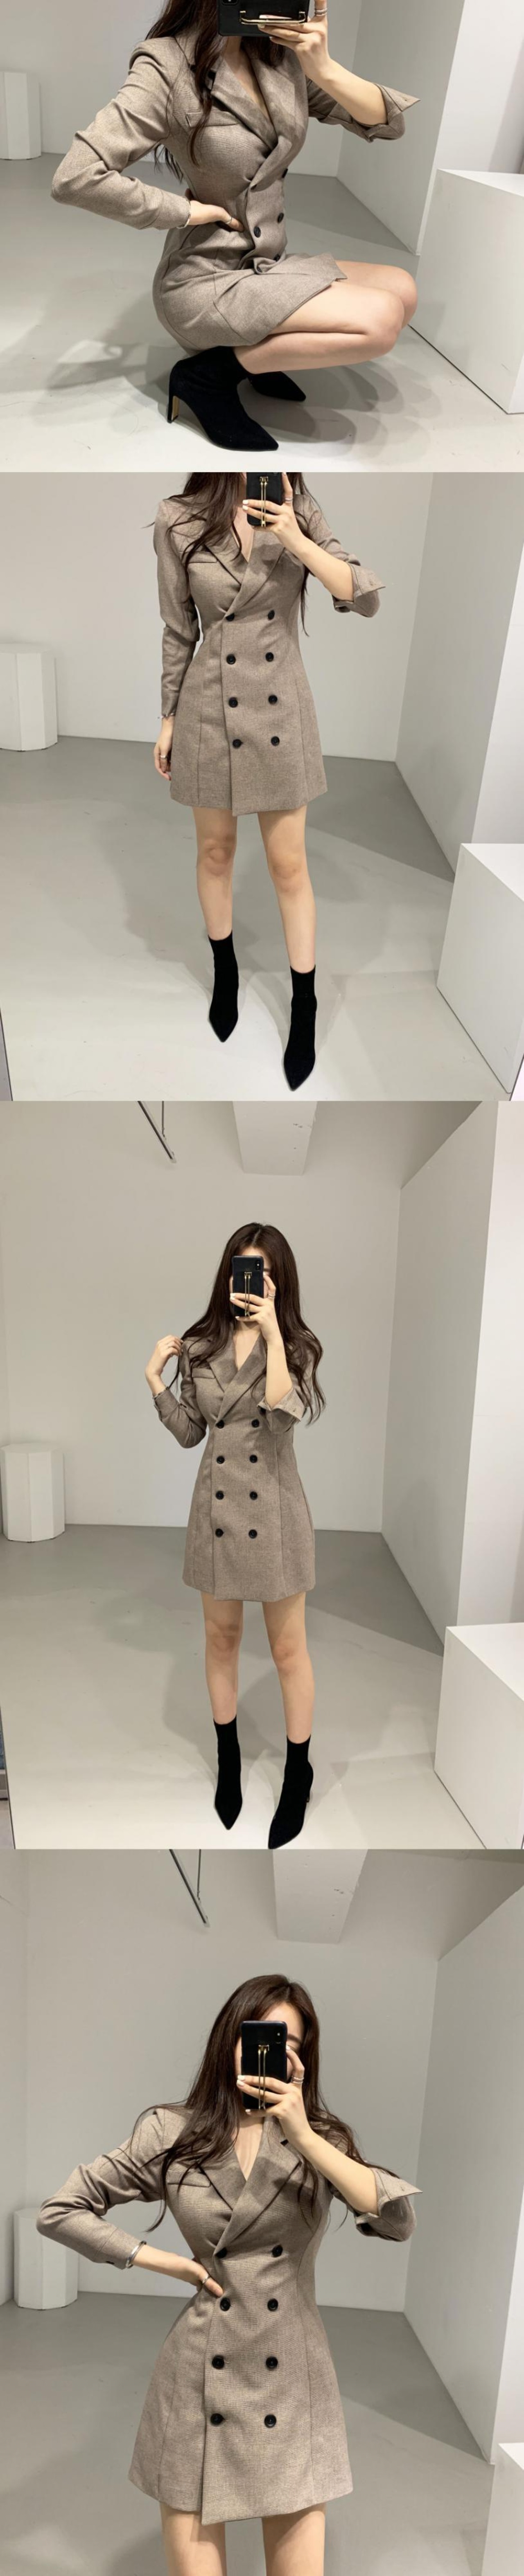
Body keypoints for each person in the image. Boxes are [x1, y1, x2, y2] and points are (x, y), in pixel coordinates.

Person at [37, 1973, 418, 2576]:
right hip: (197, 2381)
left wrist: (303, 2135)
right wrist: (158, 2259)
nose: (274, 2050)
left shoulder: (321, 2139)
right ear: (231, 2038)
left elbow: (398, 2221)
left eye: (291, 2042)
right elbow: (61, 2210)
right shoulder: (172, 2131)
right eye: (262, 2034)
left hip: (291, 2384)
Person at [51, 3, 418, 448]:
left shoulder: (279, 58)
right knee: (379, 321)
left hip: (264, 262)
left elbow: (386, 123)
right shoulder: (167, 64)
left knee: (402, 291)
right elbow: (76, 177)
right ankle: (209, 375)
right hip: (204, 278)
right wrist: (184, 212)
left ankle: (254, 353)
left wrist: (323, 67)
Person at [153, 469, 382, 1087]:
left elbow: (364, 596)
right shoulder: (178, 517)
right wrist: (169, 716)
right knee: (215, 852)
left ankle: (304, 1006)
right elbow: (179, 628)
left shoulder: (296, 504)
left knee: (288, 866)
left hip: (281, 708)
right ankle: (226, 973)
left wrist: (296, 539)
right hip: (208, 707)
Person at [146, 1222, 324, 1845]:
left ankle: (298, 1775)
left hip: (274, 1514)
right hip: (217, 1517)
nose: (252, 1281)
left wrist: (272, 1332)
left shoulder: (298, 1347)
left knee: (288, 1651)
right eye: (242, 1269)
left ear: (279, 1280)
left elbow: (281, 1420)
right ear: (228, 1274)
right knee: (221, 1641)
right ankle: (229, 1762)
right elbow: (191, 1434)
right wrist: (155, 1381)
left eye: (264, 1271)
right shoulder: (200, 1346)